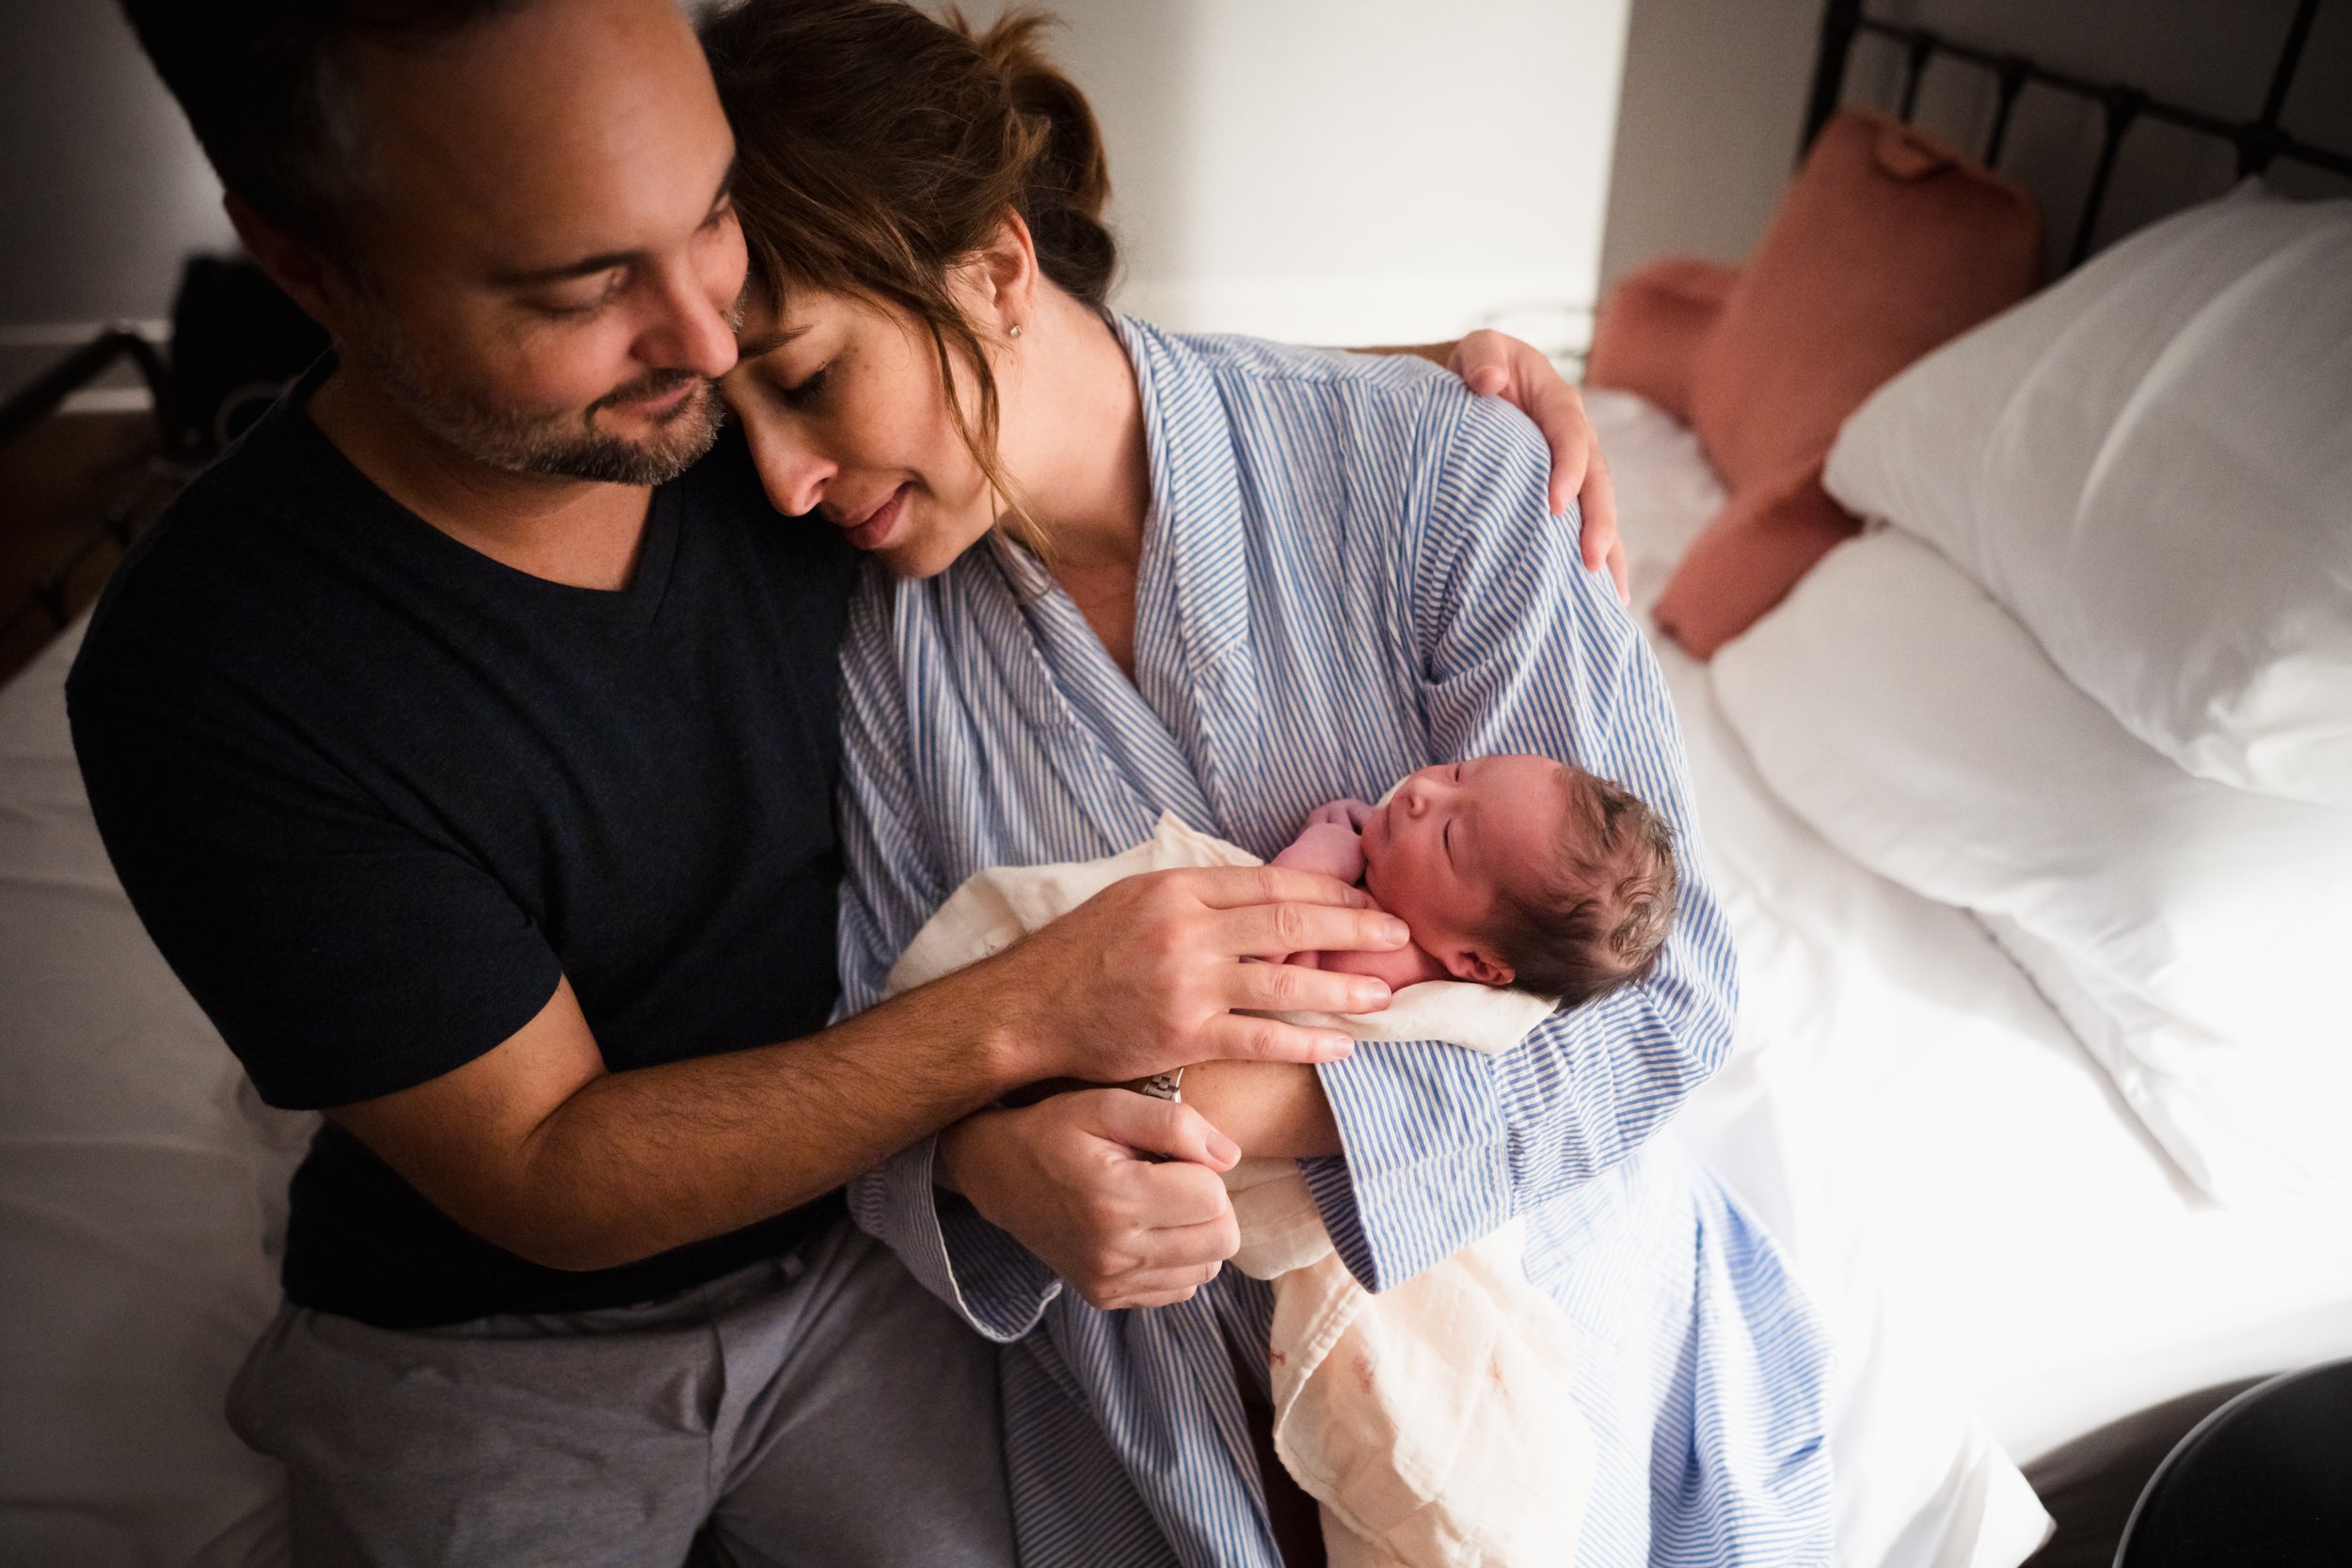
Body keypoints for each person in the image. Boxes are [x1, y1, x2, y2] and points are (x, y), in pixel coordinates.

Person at [75, 0, 1615, 1561]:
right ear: (305, 263)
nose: (698, 344)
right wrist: (1031, 1012)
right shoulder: (219, 676)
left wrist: (1425, 402)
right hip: (490, 1339)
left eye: (710, 220)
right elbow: (548, 1169)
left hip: (865, 1283)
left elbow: (1022, 374)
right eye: (585, 284)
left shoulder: (758, 452)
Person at [702, 2, 1836, 1564]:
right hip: (1161, 1382)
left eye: (810, 380)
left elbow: (1667, 992)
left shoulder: (1445, 475)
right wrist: (989, 1163)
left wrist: (1244, 1112)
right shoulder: (882, 641)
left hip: (1525, 1323)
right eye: (733, 416)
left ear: (998, 270)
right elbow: (874, 1030)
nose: (780, 476)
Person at [1266, 755, 1678, 1000]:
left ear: (1473, 963)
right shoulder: (1414, 907)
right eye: (1461, 772)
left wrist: (1323, 851)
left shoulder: (1386, 959)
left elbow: (1262, 951)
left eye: (1450, 838)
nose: (1423, 789)